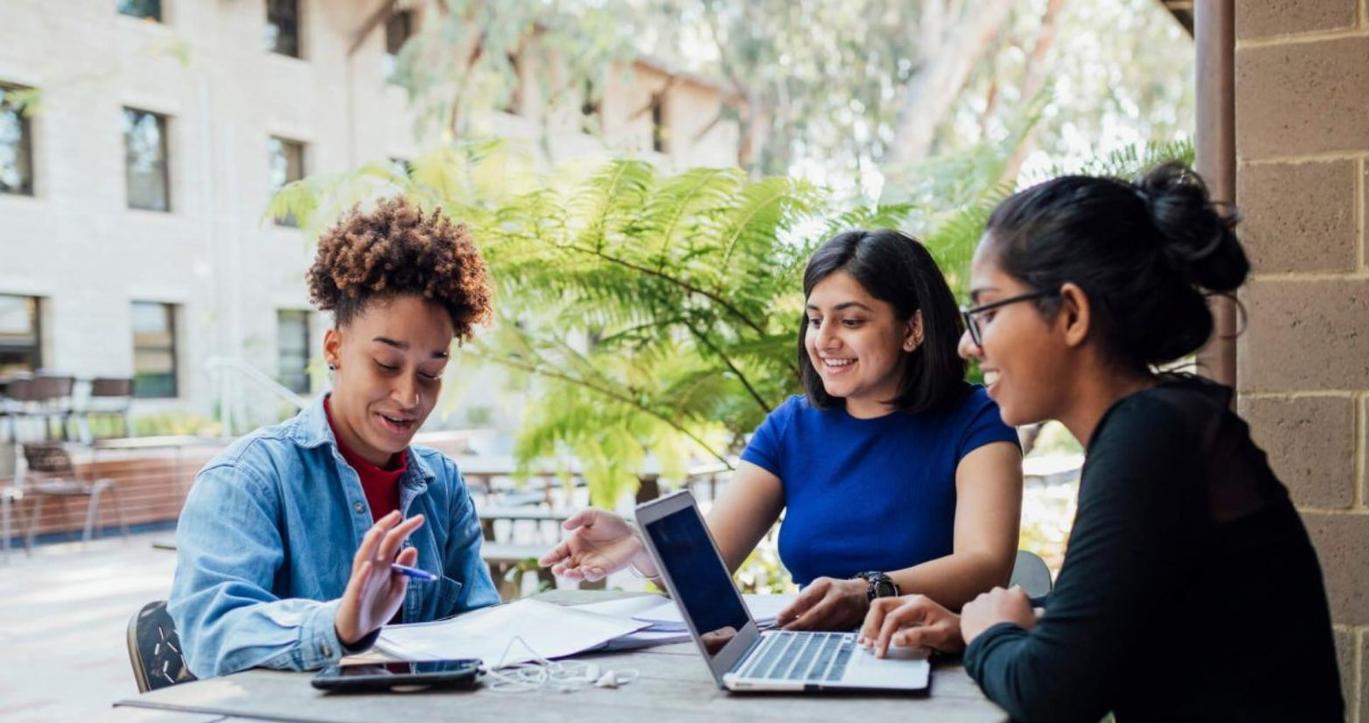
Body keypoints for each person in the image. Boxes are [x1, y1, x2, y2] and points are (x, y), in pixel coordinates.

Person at [861, 163, 1361, 723]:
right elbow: (1108, 627)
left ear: (1070, 313)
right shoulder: (1167, 422)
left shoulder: (1150, 438)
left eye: (983, 310)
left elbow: (1054, 696)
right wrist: (977, 627)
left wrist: (988, 634)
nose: (966, 343)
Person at [541, 228, 1023, 632]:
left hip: (931, 656)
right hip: (813, 652)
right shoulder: (791, 427)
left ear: (913, 329)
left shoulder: (976, 419)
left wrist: (869, 590)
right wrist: (636, 545)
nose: (824, 339)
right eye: (814, 320)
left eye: (850, 320)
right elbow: (708, 565)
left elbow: (985, 565)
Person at [169, 196, 499, 679]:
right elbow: (211, 632)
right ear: (335, 349)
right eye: (386, 364)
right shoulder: (249, 479)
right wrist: (338, 626)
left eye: (431, 372)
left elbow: (478, 623)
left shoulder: (442, 484)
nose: (409, 396)